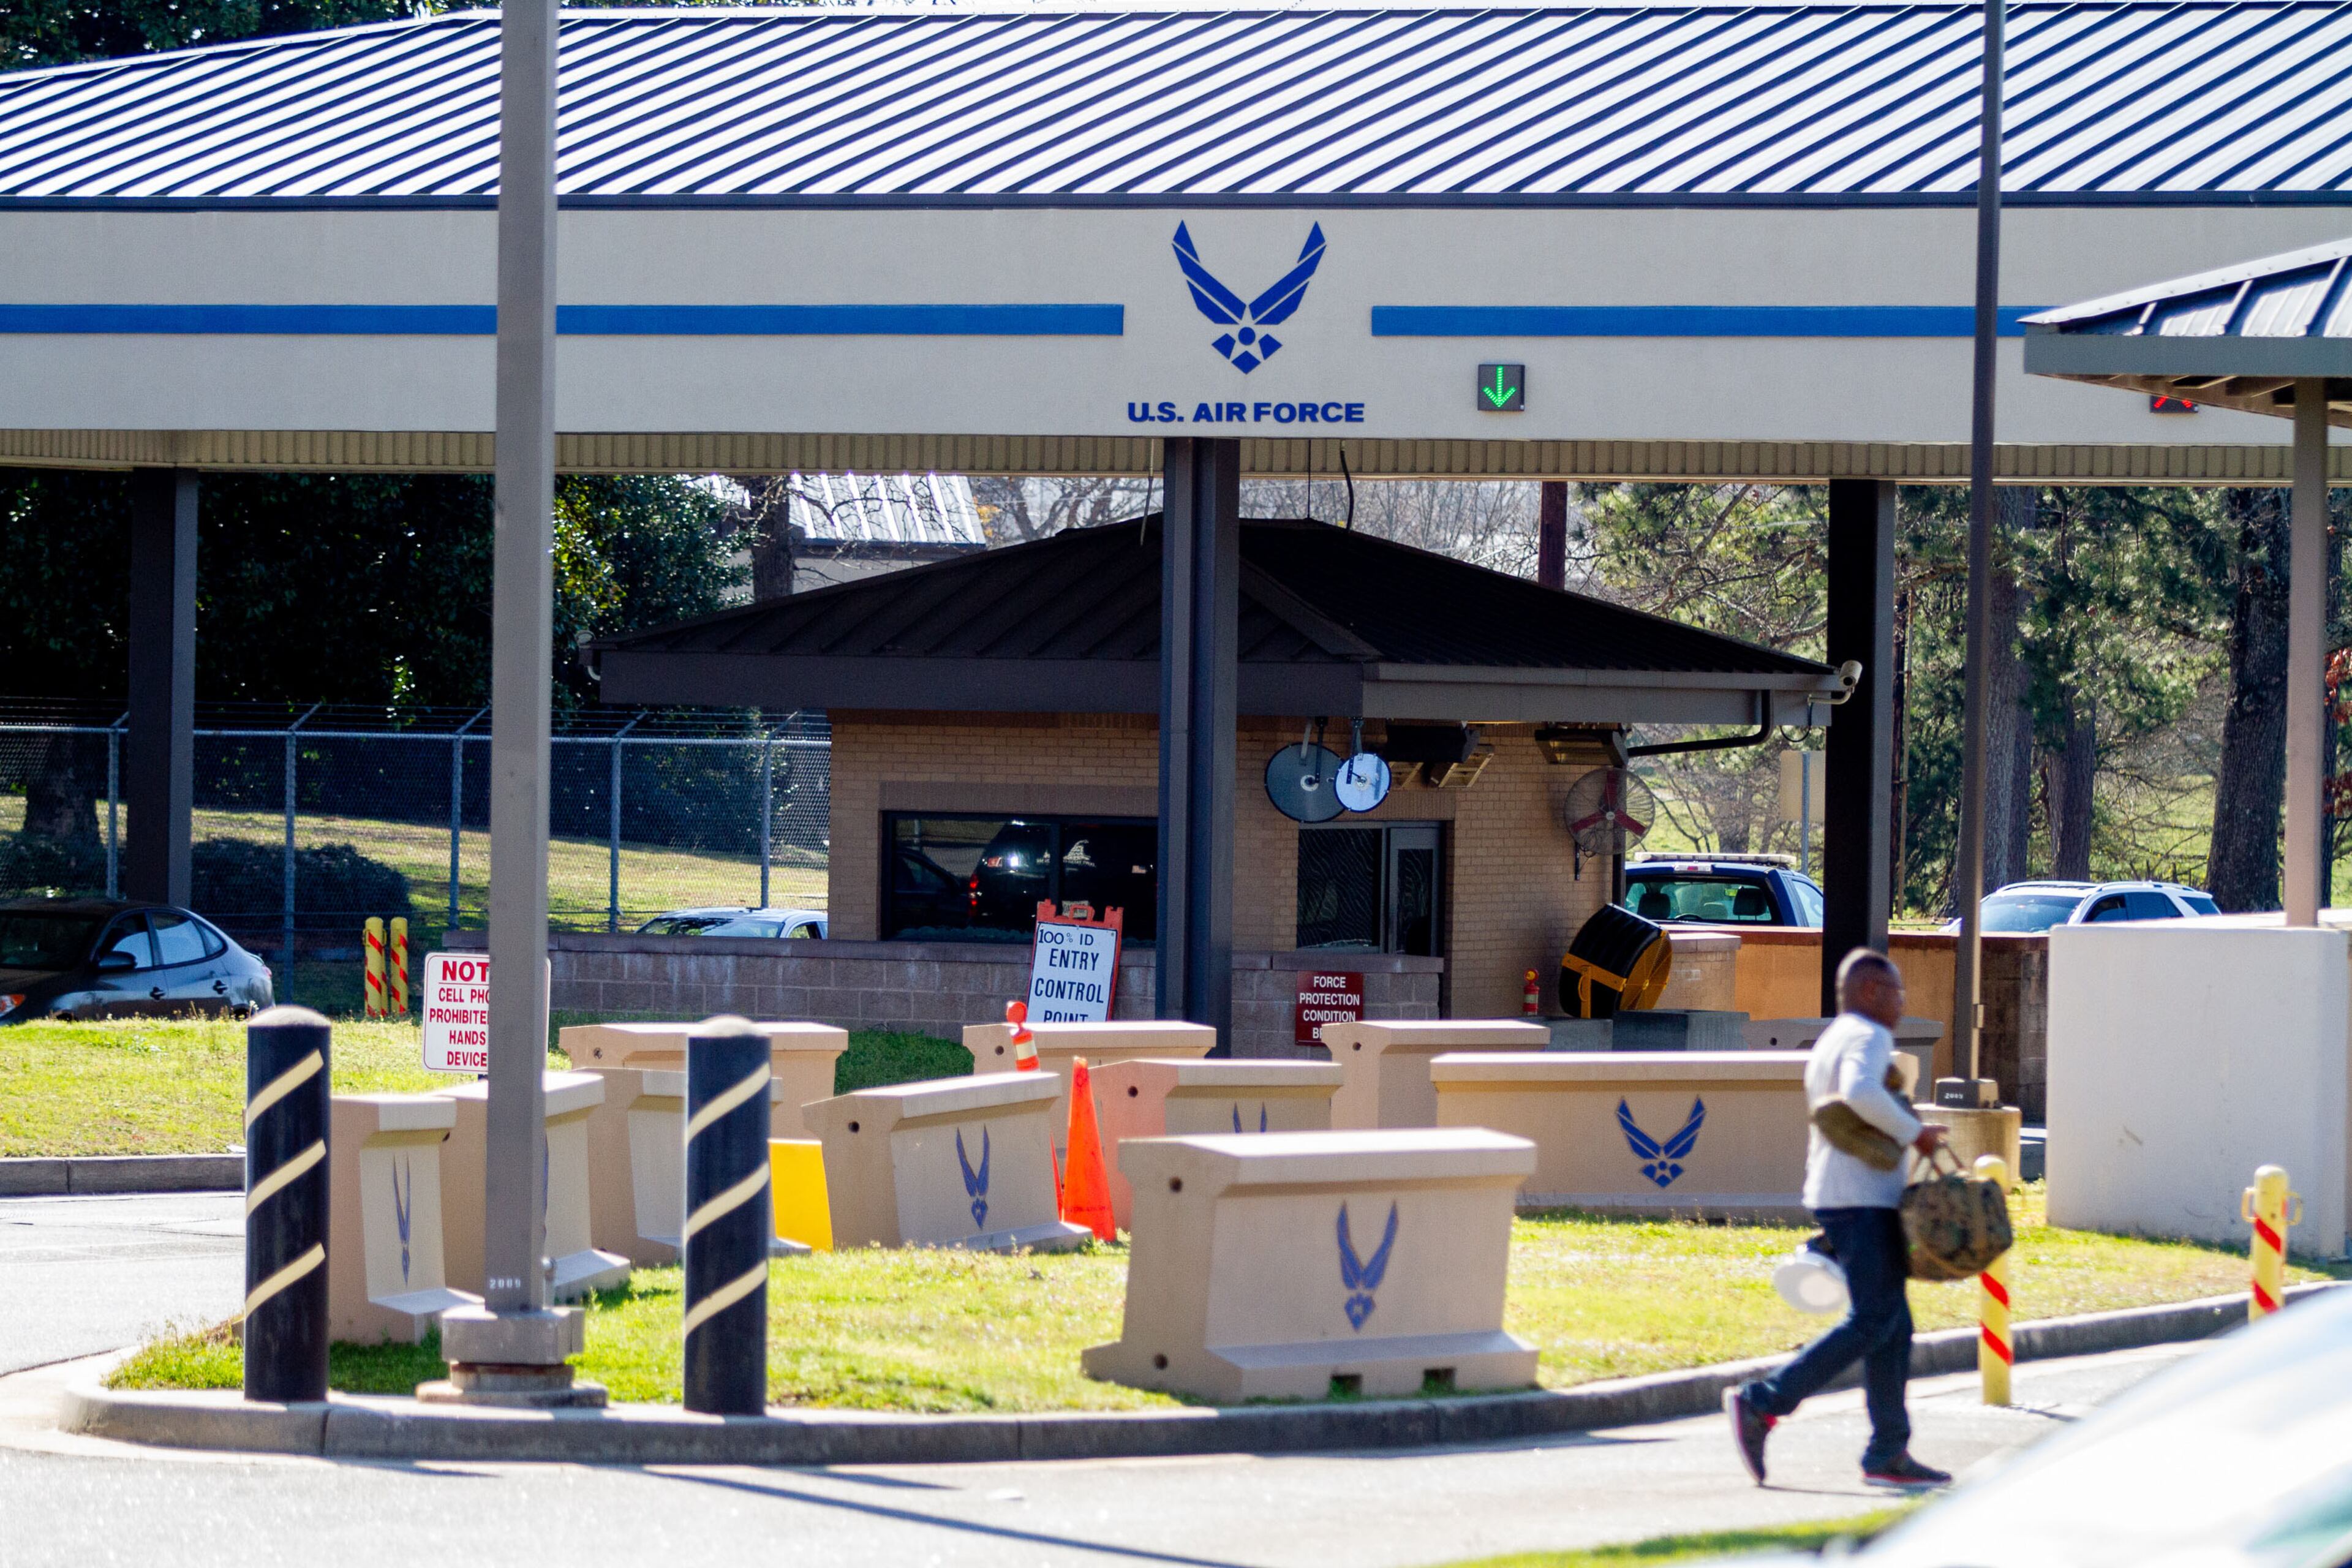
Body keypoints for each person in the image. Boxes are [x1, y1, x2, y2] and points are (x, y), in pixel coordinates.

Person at [1725, 946, 1951, 1491]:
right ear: (1871, 992)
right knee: (1876, 1321)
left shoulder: (1834, 1037)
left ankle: (1888, 1450)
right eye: (1897, 991)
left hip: (1842, 1194)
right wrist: (1913, 1132)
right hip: (1860, 1200)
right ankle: (1763, 1402)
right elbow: (1858, 1093)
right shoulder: (1868, 1037)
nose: (1902, 1001)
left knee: (1893, 1327)